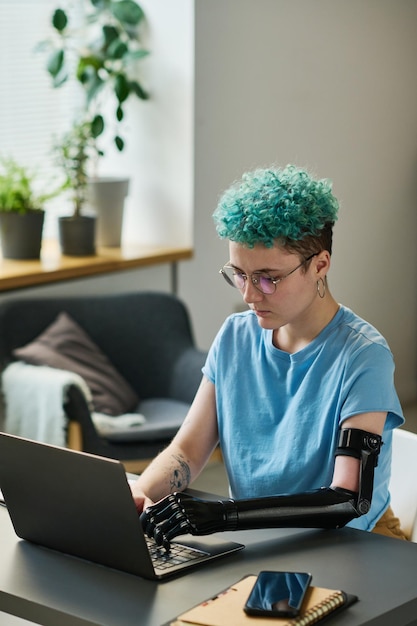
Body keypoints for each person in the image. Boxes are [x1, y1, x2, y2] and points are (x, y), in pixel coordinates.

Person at [132, 164, 407, 547]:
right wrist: (139, 496)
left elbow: (347, 500)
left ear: (320, 265)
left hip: (355, 545)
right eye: (239, 274)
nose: (249, 295)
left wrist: (224, 515)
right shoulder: (234, 337)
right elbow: (187, 452)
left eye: (268, 278)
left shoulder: (363, 356)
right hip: (260, 540)